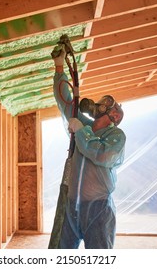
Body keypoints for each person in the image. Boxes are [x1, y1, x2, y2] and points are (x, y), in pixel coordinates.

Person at [51, 45, 126, 249]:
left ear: (115, 116)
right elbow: (67, 103)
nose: (99, 105)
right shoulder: (85, 124)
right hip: (71, 206)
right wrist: (59, 68)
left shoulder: (116, 135)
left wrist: (82, 131)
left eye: (106, 104)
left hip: (98, 209)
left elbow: (103, 155)